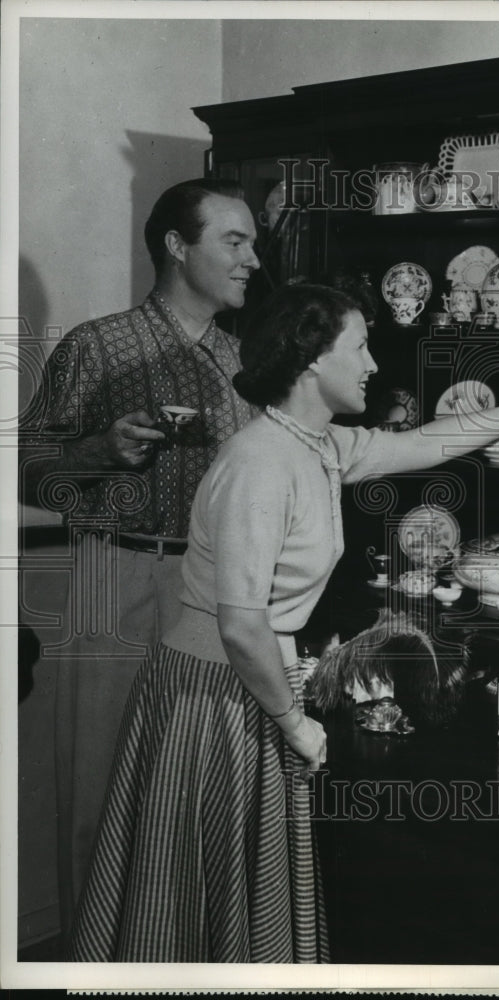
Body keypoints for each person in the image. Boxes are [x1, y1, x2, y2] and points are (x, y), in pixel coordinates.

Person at [67, 282, 499, 963]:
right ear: (312, 360)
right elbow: (241, 624)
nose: (372, 365)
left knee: (233, 892)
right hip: (215, 696)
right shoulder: (259, 463)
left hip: (248, 685)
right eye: (359, 347)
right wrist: (294, 722)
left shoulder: (317, 444)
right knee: (194, 897)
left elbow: (428, 441)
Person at [19, 178, 260, 939]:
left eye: (254, 241)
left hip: (212, 588)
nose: (253, 258)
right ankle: (90, 964)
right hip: (113, 576)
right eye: (235, 240)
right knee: (99, 787)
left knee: (196, 789)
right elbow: (27, 465)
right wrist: (100, 449)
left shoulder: (244, 361)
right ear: (176, 247)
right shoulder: (99, 345)